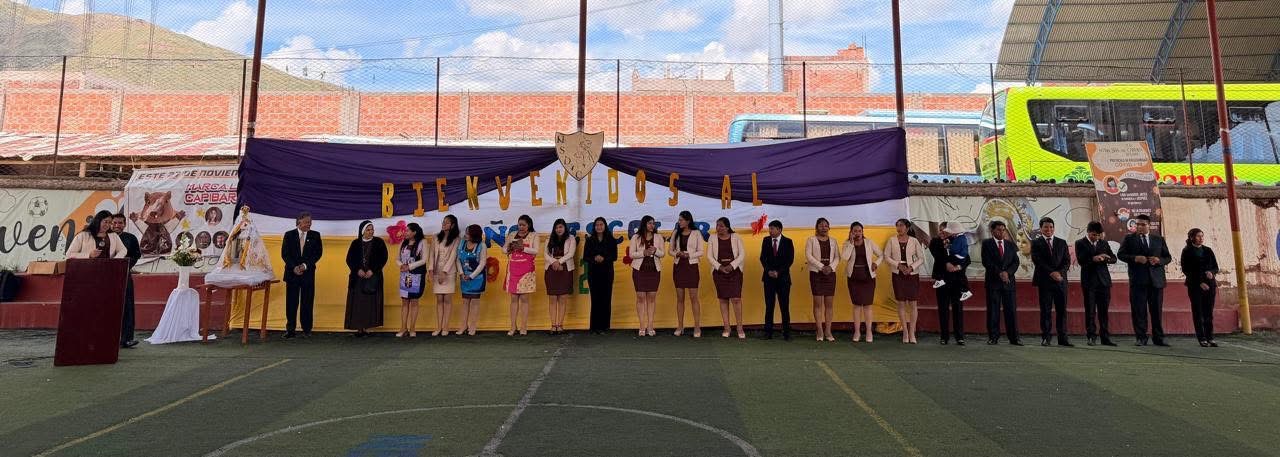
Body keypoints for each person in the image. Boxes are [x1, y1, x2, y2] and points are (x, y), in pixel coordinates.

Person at [1117, 214, 1173, 346]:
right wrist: (1135, 258)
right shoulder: (1129, 239)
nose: (1139, 227)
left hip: (1156, 281)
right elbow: (1121, 255)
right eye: (1137, 224)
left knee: (1156, 311)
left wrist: (1159, 260)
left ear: (1149, 225)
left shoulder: (1158, 239)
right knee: (1139, 311)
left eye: (1142, 224)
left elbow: (1168, 257)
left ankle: (1158, 338)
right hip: (1138, 281)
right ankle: (1141, 338)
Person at [1032, 217, 1072, 347]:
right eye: (1045, 227)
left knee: (1062, 310)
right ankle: (1046, 338)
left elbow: (1067, 261)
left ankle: (1063, 339)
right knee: (1045, 310)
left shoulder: (1062, 242)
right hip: (1045, 282)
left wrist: (1059, 273)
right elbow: (1038, 261)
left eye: (1051, 227)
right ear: (1041, 229)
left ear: (1054, 228)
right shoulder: (1036, 243)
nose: (1048, 229)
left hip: (1060, 281)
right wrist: (1051, 272)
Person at [281, 211, 322, 338]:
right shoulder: (289, 235)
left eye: (310, 222)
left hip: (308, 274)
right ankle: (290, 330)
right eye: (306, 222)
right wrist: (294, 267)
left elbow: (318, 254)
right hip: (292, 274)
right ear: (299, 222)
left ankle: (307, 329)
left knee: (307, 302)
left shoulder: (315, 235)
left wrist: (305, 266)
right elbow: (285, 254)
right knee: (291, 303)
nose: (309, 224)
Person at [929, 222, 970, 346]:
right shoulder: (935, 242)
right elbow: (938, 255)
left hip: (957, 280)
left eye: (945, 230)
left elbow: (967, 259)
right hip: (942, 279)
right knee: (943, 308)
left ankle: (959, 337)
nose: (942, 232)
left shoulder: (958, 240)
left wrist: (957, 266)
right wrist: (947, 263)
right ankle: (944, 336)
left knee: (958, 308)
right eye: (940, 230)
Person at [1075, 221, 1116, 346]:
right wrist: (1094, 258)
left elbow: (1114, 258)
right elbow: (1081, 260)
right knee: (1090, 311)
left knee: (1104, 311)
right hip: (1089, 282)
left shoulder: (1104, 243)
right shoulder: (1080, 243)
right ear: (1088, 232)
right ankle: (1091, 336)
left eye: (1098, 235)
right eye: (1094, 235)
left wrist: (1106, 258)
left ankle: (1105, 337)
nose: (1096, 237)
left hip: (1104, 282)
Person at [883, 218, 924, 344]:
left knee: (913, 303)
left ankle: (912, 332)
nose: (899, 228)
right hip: (898, 274)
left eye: (901, 225)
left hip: (912, 274)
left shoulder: (914, 241)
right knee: (901, 303)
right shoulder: (891, 240)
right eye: (897, 226)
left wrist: (911, 267)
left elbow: (921, 258)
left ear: (907, 227)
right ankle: (905, 331)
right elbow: (886, 256)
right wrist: (898, 265)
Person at [981, 220, 1021, 346]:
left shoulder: (1010, 245)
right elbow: (986, 262)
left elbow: (1015, 262)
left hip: (1008, 282)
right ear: (992, 230)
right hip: (993, 282)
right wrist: (1000, 273)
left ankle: (1014, 338)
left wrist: (1007, 273)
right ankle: (993, 337)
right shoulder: (986, 244)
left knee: (1011, 310)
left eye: (1003, 230)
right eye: (998, 230)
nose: (1001, 232)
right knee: (993, 311)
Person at [345, 220, 387, 337]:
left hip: (373, 277)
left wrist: (372, 270)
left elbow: (383, 258)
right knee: (358, 303)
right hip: (358, 278)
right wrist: (357, 270)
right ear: (362, 231)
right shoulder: (355, 243)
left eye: (372, 229)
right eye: (368, 230)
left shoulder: (379, 242)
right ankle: (359, 328)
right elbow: (349, 259)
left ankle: (368, 327)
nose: (371, 232)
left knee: (370, 303)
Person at [841, 222, 881, 343]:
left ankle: (869, 331)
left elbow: (881, 254)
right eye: (855, 231)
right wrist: (851, 243)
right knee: (857, 305)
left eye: (859, 231)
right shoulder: (847, 243)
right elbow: (845, 257)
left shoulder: (869, 242)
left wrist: (876, 263)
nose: (857, 233)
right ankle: (857, 332)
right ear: (851, 232)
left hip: (868, 277)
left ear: (863, 232)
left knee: (867, 305)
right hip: (853, 277)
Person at [708, 217, 746, 339]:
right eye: (717, 225)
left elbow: (742, 254)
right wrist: (719, 267)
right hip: (719, 272)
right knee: (723, 299)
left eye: (721, 226)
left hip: (735, 272)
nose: (718, 228)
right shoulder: (712, 238)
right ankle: (727, 328)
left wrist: (732, 266)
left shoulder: (736, 237)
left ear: (727, 227)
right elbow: (709, 256)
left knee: (736, 299)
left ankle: (739, 328)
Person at [1181, 228, 1219, 347]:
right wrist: (1199, 282)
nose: (1201, 238)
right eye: (1198, 236)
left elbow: (1215, 267)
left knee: (1209, 312)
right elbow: (1186, 270)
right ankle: (1202, 338)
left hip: (1210, 285)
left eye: (1202, 236)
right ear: (1192, 237)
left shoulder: (1208, 250)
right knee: (1198, 312)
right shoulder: (1187, 251)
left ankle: (1210, 337)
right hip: (1195, 286)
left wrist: (1211, 272)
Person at [629, 215, 666, 337]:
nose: (652, 225)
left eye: (653, 223)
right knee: (640, 297)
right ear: (644, 224)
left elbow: (662, 254)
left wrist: (655, 250)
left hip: (654, 270)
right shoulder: (636, 237)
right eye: (650, 223)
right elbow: (631, 254)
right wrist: (643, 253)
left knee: (651, 298)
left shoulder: (658, 237)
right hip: (639, 270)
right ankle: (642, 326)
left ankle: (650, 325)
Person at [669, 211, 704, 337]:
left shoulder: (696, 233)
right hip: (679, 266)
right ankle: (680, 326)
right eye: (679, 220)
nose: (679, 222)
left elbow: (701, 251)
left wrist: (689, 254)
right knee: (680, 298)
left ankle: (697, 327)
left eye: (681, 220)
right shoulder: (675, 233)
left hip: (691, 266)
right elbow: (670, 251)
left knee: (694, 298)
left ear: (688, 221)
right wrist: (677, 253)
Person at [109, 213, 141, 348]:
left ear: (125, 224)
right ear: (110, 224)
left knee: (127, 307)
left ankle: (127, 339)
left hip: (124, 276)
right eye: (114, 223)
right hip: (105, 277)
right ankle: (107, 339)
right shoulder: (105, 237)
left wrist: (126, 265)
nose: (117, 225)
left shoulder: (131, 238)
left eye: (120, 223)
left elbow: (136, 255)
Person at [760, 220, 795, 340]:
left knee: (784, 306)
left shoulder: (788, 242)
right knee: (769, 305)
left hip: (783, 279)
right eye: (769, 228)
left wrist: (778, 272)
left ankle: (786, 332)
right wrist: (769, 271)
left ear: (779, 229)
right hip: (768, 278)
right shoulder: (766, 240)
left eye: (772, 229)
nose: (770, 231)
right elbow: (762, 258)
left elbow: (789, 260)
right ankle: (768, 331)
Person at [806, 218, 840, 342]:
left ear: (829, 228)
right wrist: (822, 267)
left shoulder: (833, 241)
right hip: (816, 274)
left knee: (829, 304)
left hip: (830, 274)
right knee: (818, 304)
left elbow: (837, 257)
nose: (824, 228)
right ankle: (819, 329)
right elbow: (809, 256)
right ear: (816, 228)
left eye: (826, 226)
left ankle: (828, 330)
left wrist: (830, 267)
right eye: (821, 226)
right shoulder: (811, 240)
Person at [504, 215, 539, 336]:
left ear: (529, 225)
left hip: (526, 271)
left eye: (524, 225)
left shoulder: (534, 235)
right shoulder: (512, 234)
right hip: (513, 269)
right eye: (520, 224)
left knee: (524, 299)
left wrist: (522, 248)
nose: (521, 227)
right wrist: (508, 248)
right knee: (513, 299)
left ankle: (524, 326)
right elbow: (504, 249)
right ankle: (513, 326)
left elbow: (536, 250)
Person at [583, 217, 618, 334]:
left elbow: (614, 256)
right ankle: (594, 326)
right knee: (595, 299)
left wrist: (604, 258)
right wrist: (595, 258)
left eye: (601, 225)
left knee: (606, 298)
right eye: (597, 225)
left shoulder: (611, 240)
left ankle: (605, 326)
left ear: (605, 226)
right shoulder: (590, 240)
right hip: (593, 273)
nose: (599, 227)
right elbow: (585, 257)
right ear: (594, 227)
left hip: (607, 273)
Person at [395, 222, 429, 338]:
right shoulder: (403, 243)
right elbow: (397, 258)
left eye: (407, 230)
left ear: (414, 232)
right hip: (405, 276)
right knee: (405, 301)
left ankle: (412, 328)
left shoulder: (422, 242)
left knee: (414, 301)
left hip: (416, 275)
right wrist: (401, 265)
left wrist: (409, 266)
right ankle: (403, 328)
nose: (405, 232)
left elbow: (424, 260)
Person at [544, 218, 577, 334]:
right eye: (557, 227)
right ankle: (553, 325)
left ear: (564, 228)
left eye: (561, 227)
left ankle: (560, 325)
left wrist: (559, 262)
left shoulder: (571, 238)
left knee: (562, 298)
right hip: (551, 269)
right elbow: (546, 254)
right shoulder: (549, 239)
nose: (559, 229)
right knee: (552, 298)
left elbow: (571, 253)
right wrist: (554, 262)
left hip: (565, 269)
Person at [432, 215, 461, 336]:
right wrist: (430, 270)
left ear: (453, 225)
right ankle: (438, 327)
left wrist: (444, 272)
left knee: (447, 299)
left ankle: (446, 327)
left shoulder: (456, 239)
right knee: (439, 299)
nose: (444, 224)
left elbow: (453, 256)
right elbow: (432, 255)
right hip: (437, 271)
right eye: (443, 222)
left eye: (447, 222)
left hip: (449, 272)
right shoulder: (435, 237)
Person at [457, 224, 488, 336]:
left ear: (474, 235)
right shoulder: (462, 243)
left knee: (474, 302)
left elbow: (482, 263)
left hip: (477, 278)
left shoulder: (482, 245)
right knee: (465, 302)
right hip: (464, 277)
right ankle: (463, 326)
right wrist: (461, 273)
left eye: (467, 233)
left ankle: (472, 327)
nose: (465, 235)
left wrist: (471, 276)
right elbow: (458, 259)